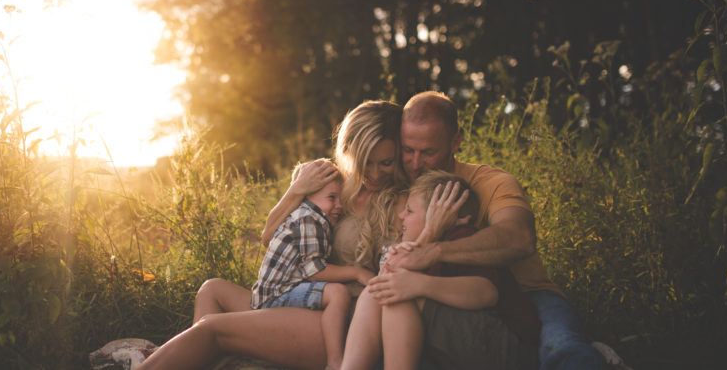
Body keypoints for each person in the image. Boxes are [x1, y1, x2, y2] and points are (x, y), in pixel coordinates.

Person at [134, 100, 408, 370]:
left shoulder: (398, 203)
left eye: (385, 163)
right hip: (298, 296)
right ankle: (217, 361)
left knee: (211, 330)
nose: (373, 174)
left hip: (338, 318)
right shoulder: (335, 189)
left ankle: (213, 351)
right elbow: (269, 237)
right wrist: (296, 190)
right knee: (211, 290)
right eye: (365, 162)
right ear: (349, 152)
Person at [385, 91, 607, 370]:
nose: (415, 164)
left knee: (562, 348)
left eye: (428, 152)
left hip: (529, 293)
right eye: (408, 150)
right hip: (455, 299)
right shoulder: (402, 187)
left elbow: (520, 238)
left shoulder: (492, 182)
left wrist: (434, 251)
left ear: (456, 142)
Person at [342, 170, 539, 370]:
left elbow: (486, 293)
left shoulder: (462, 239)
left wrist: (420, 285)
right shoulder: (424, 248)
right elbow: (387, 278)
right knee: (374, 292)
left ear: (447, 216)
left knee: (396, 295)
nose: (401, 216)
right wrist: (424, 237)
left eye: (409, 211)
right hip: (470, 342)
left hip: (506, 347)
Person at [249, 159, 353, 369]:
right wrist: (358, 273)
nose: (339, 206)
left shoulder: (309, 215)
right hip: (276, 296)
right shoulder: (309, 218)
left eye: (341, 199)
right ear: (305, 197)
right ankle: (335, 361)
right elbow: (314, 271)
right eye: (332, 198)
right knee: (338, 294)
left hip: (275, 292)